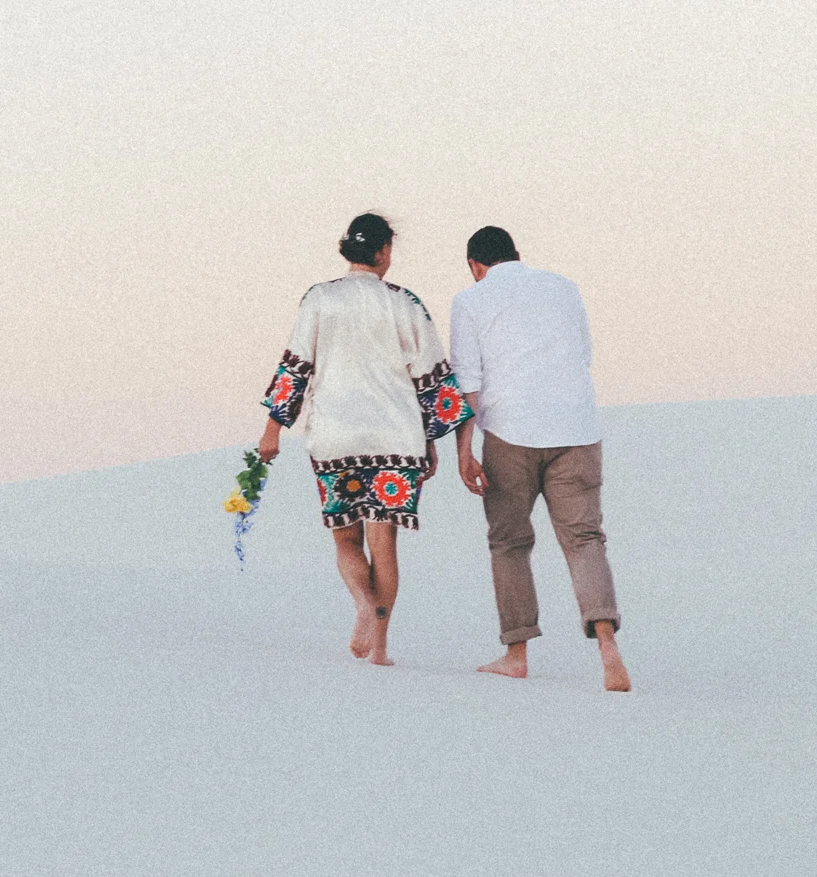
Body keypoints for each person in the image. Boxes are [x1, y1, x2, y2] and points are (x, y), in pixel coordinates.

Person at [258, 213, 473, 666]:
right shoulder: (404, 303)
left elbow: (295, 365)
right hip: (397, 436)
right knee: (385, 546)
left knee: (346, 542)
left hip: (336, 438)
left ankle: (360, 601)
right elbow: (431, 378)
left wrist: (273, 430)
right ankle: (379, 646)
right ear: (382, 252)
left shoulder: (319, 299)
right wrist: (432, 439)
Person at [451, 226, 630, 691]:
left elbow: (468, 382)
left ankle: (516, 654)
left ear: (475, 266)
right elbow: (583, 354)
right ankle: (608, 647)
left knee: (509, 542)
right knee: (585, 539)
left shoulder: (470, 301)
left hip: (512, 432)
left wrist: (463, 449)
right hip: (577, 428)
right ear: (517, 255)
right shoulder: (562, 287)